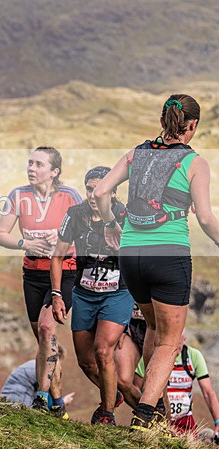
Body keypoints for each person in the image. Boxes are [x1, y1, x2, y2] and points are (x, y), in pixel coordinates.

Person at [95, 94, 219, 430]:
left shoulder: (136, 154)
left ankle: (149, 408)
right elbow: (206, 218)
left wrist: (110, 224)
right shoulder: (195, 164)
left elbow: (101, 192)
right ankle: (145, 416)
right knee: (169, 340)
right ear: (191, 125)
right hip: (169, 256)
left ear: (163, 120)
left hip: (132, 256)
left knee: (152, 326)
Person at [0, 147, 82, 417]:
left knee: (47, 329)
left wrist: (64, 241)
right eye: (29, 163)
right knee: (46, 342)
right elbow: (0, 235)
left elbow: (89, 231)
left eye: (38, 164)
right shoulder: (18, 195)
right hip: (32, 275)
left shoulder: (70, 197)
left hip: (65, 272)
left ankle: (41, 401)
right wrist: (25, 242)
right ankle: (58, 404)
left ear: (54, 172)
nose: (31, 168)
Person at [50, 166, 135, 426]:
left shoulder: (125, 214)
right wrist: (56, 294)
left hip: (117, 294)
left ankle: (106, 414)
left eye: (100, 189)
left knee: (102, 350)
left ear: (113, 192)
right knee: (86, 362)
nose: (93, 194)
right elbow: (57, 256)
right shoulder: (75, 214)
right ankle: (121, 398)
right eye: (89, 189)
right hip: (84, 294)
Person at [135, 332, 219, 438]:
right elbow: (136, 387)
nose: (176, 347)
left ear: (184, 339)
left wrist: (217, 421)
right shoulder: (152, 356)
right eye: (173, 343)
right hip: (159, 419)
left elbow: (208, 391)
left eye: (179, 342)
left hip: (185, 421)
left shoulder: (193, 356)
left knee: (208, 435)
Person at [0, 349, 75, 409]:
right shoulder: (44, 369)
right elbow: (50, 402)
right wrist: (63, 402)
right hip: (19, 402)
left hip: (6, 400)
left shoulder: (33, 364)